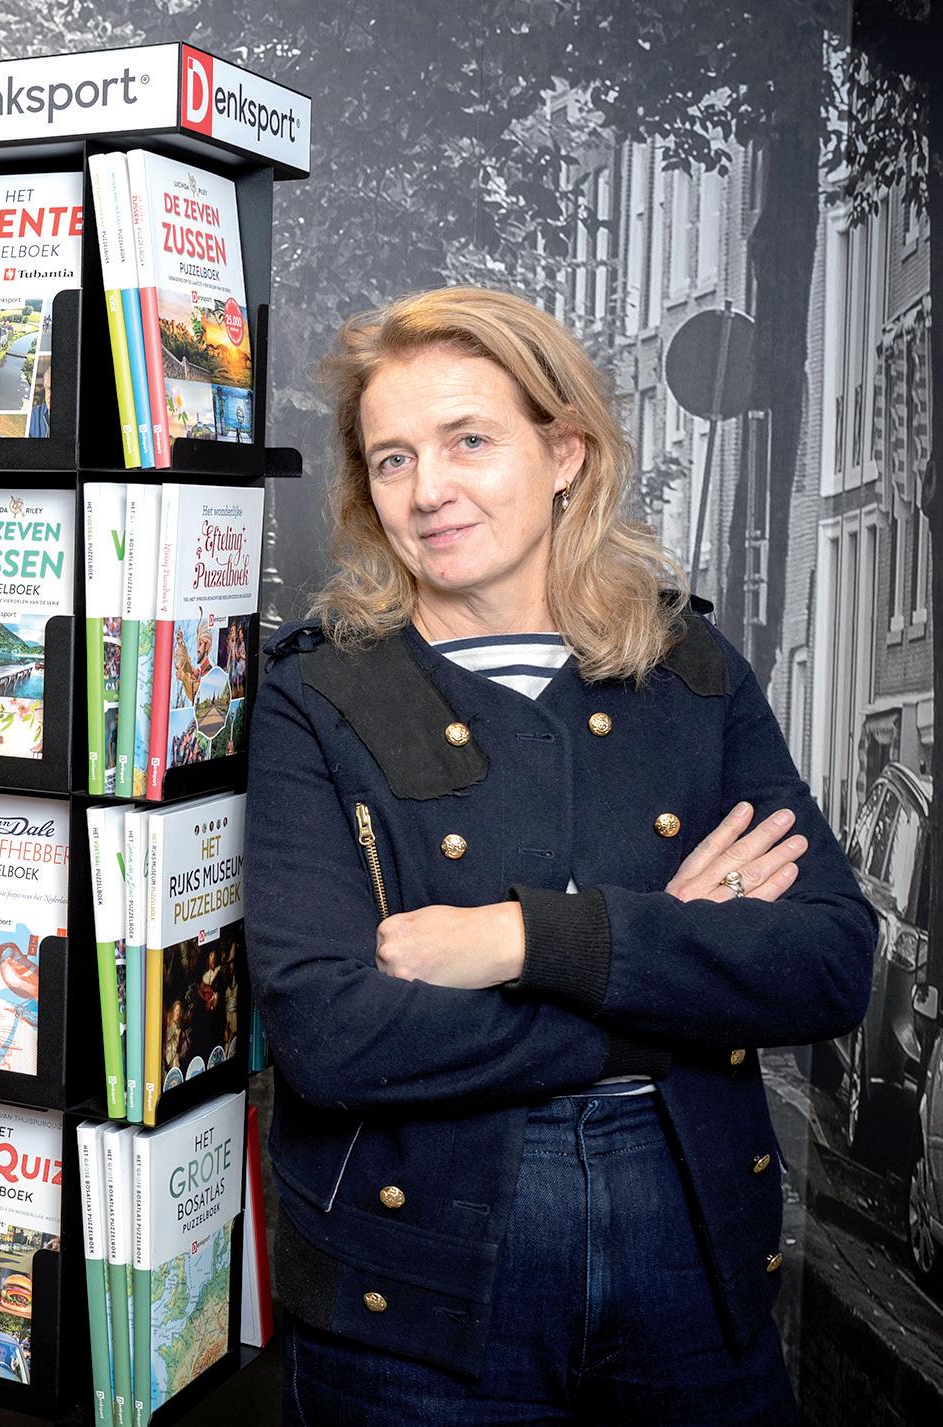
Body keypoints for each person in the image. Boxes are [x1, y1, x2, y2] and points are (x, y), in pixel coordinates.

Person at [244, 286, 877, 1425]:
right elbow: (331, 1037)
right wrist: (668, 970)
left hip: (693, 1244)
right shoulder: (316, 694)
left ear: (565, 453)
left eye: (468, 441)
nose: (427, 490)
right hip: (413, 1274)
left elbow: (829, 963)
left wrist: (519, 938)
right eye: (392, 459)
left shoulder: (689, 668)